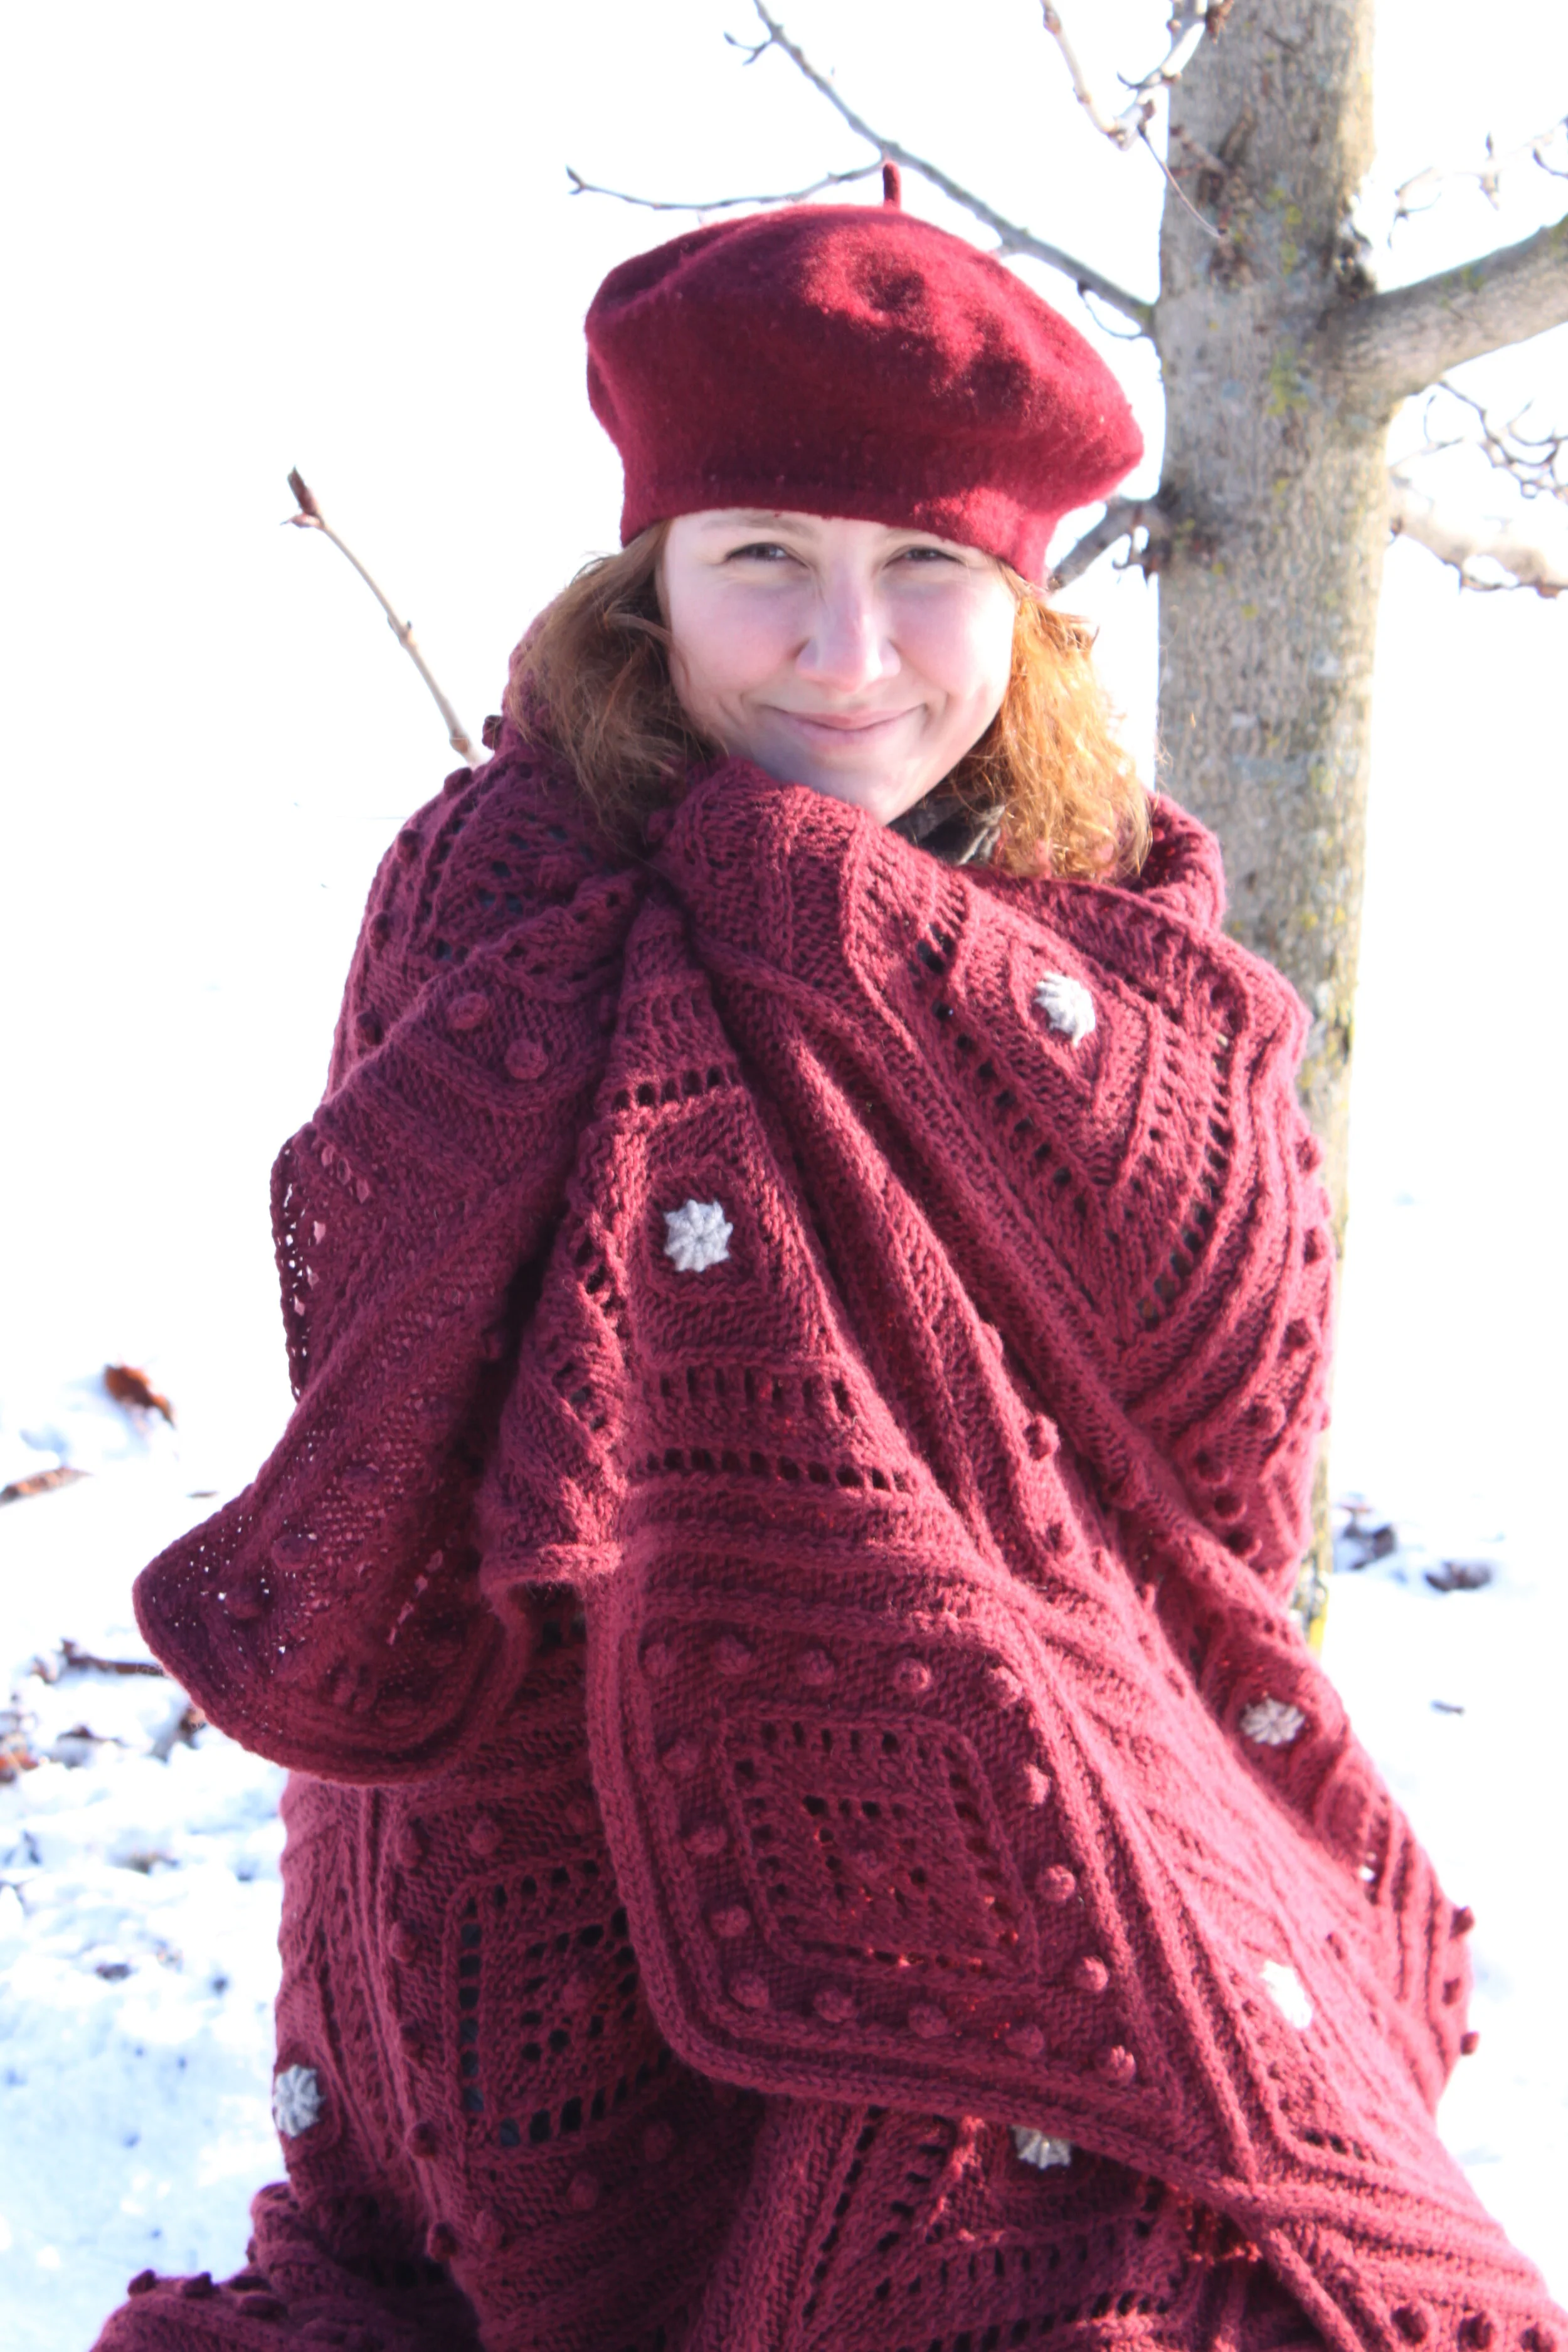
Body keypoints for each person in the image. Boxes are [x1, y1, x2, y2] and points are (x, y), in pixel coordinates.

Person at [92, 174, 1560, 2352]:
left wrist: (810, 913)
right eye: (763, 557)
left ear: (1023, 606)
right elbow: (393, 1421)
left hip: (1061, 1871)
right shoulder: (492, 907)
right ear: (650, 580)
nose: (845, 651)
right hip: (557, 1832)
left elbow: (1217, 1472)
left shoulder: (1145, 982)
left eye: (924, 573)